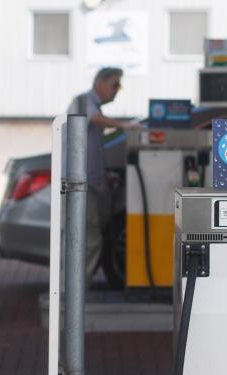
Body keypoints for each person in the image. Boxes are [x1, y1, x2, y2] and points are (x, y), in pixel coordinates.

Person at [66, 67, 135, 282]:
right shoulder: (83, 101)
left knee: (85, 237)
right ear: (100, 82)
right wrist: (125, 126)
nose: (117, 90)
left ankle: (75, 287)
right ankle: (76, 289)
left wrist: (103, 175)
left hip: (88, 184)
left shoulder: (92, 105)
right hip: (79, 185)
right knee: (90, 239)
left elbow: (91, 147)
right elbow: (95, 119)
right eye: (115, 84)